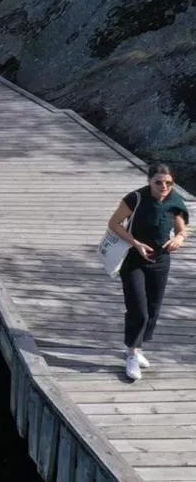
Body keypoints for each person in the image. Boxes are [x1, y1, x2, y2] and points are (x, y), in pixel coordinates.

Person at [105, 163, 189, 381]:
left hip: (161, 261)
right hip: (133, 259)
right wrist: (136, 243)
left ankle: (137, 347)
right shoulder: (136, 198)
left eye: (169, 183)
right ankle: (131, 354)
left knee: (153, 309)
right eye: (158, 182)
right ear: (149, 181)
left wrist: (179, 239)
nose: (164, 186)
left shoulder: (175, 201)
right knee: (138, 309)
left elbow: (181, 230)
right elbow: (114, 223)